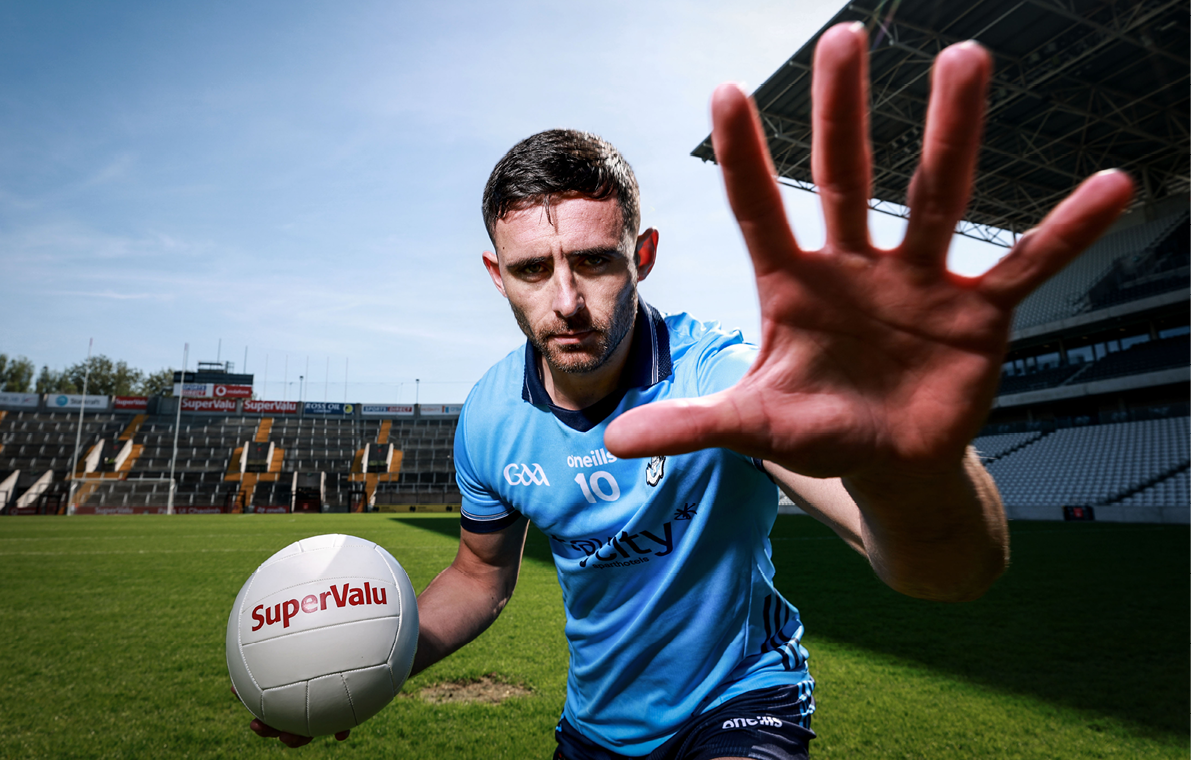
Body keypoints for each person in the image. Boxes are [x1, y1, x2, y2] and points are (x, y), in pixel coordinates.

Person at [248, 23, 1133, 757]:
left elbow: (951, 576)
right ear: (496, 275)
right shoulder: (488, 418)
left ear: (642, 256)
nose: (566, 301)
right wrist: (366, 667)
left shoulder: (730, 384)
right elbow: (479, 578)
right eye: (532, 270)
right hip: (594, 729)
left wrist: (910, 469)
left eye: (594, 261)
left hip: (742, 706)